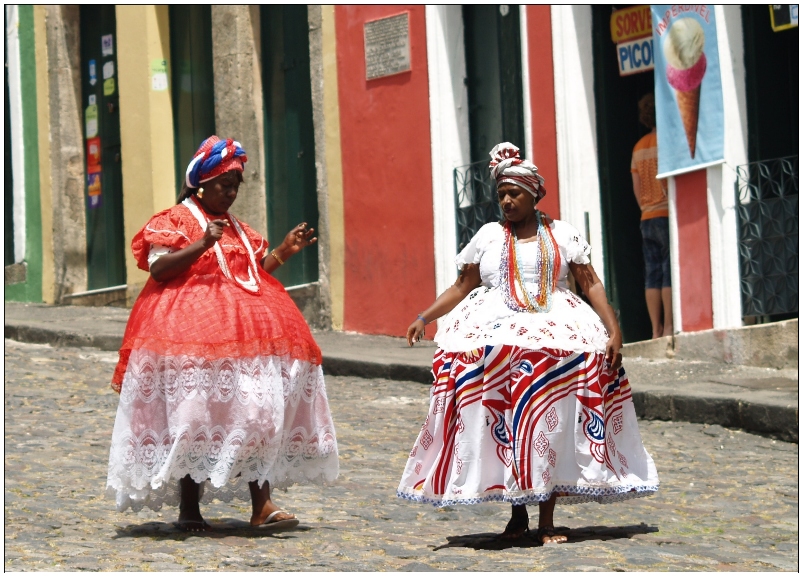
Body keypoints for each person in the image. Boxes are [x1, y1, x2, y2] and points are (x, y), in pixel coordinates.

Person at [398, 143, 659, 544]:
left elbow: (590, 283)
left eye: (514, 193)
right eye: (502, 193)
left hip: (556, 332)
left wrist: (614, 329)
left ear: (534, 194)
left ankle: (547, 519)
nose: (506, 200)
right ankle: (518, 511)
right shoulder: (487, 237)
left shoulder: (562, 233)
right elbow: (461, 285)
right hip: (497, 335)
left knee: (550, 420)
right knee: (507, 422)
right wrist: (424, 317)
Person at [106, 136, 338, 532]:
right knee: (196, 415)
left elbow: (251, 271)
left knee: (258, 412)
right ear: (202, 184)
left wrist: (283, 250)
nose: (230, 193)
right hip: (189, 335)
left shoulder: (239, 230)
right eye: (223, 186)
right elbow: (160, 270)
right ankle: (189, 509)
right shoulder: (174, 220)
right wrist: (202, 242)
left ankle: (262, 506)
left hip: (246, 337)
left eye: (235, 187)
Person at [631, 93, 673, 339]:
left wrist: (644, 207)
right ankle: (668, 326)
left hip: (646, 216)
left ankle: (655, 329)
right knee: (667, 270)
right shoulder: (665, 143)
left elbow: (636, 187)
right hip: (665, 213)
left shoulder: (638, 147)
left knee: (652, 273)